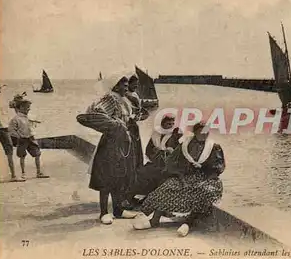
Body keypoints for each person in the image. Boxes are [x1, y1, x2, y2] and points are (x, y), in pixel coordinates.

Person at [133, 122, 225, 237]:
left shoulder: (214, 147)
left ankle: (188, 223)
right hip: (185, 176)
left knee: (203, 191)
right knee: (167, 187)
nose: (205, 134)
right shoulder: (185, 145)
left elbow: (218, 167)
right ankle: (154, 220)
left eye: (207, 132)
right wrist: (181, 177)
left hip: (206, 178)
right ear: (195, 132)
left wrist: (204, 169)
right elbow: (172, 163)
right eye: (202, 132)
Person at [76, 75, 138, 225]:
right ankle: (104, 212)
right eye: (123, 85)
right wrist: (114, 124)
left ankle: (118, 210)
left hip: (122, 143)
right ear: (115, 86)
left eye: (127, 84)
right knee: (107, 178)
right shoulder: (111, 98)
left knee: (120, 177)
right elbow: (96, 113)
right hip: (110, 143)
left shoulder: (123, 99)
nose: (126, 87)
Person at [126, 115, 183, 202]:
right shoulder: (155, 134)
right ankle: (133, 198)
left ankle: (157, 200)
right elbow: (148, 150)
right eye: (168, 124)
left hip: (168, 164)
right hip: (155, 161)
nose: (170, 126)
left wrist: (170, 151)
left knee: (162, 176)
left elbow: (178, 151)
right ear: (162, 124)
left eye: (172, 124)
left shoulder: (174, 135)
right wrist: (155, 152)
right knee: (141, 173)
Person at [8, 98, 49, 180]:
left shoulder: (27, 117)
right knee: (22, 156)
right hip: (22, 140)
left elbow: (30, 124)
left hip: (30, 138)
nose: (29, 109)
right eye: (27, 107)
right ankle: (23, 173)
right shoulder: (15, 119)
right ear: (22, 108)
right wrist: (19, 136)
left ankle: (38, 172)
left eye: (29, 107)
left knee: (37, 154)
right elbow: (11, 130)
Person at [0, 87, 20, 182]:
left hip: (4, 128)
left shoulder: (2, 101)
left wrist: (17, 100)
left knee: (9, 150)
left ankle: (13, 175)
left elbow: (13, 104)